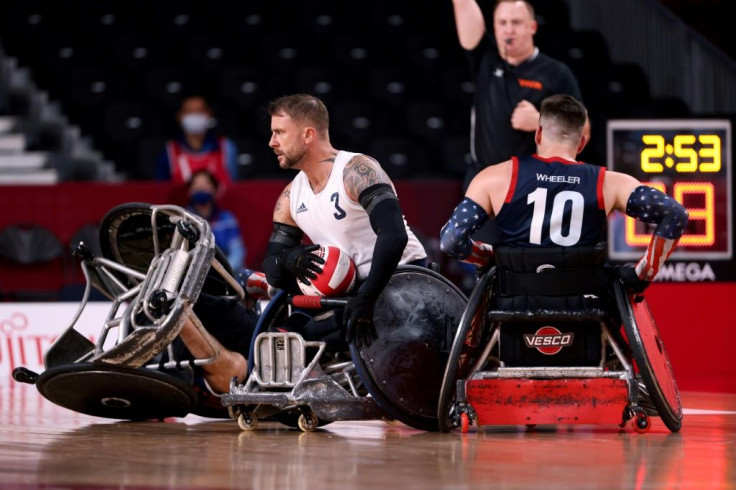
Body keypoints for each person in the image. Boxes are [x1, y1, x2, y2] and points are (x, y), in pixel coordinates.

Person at [440, 94, 688, 293]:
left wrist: (491, 257)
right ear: (581, 143)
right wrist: (641, 275)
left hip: (514, 300)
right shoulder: (610, 182)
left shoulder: (493, 177)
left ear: (538, 133)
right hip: (586, 301)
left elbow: (451, 240)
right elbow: (675, 214)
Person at [261, 94, 427, 344]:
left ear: (308, 135)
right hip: (350, 290)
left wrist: (367, 296)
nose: (272, 142)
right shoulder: (289, 197)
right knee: (283, 335)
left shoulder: (357, 170)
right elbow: (273, 271)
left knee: (314, 335)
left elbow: (394, 236)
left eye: (279, 132)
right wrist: (289, 258)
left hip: (401, 279)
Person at [451, 0, 583, 189]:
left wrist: (541, 122)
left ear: (532, 27)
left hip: (533, 184)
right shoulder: (486, 58)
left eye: (516, 23)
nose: (508, 30)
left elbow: (583, 131)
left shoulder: (555, 73)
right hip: (484, 180)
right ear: (494, 26)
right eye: (502, 23)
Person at [156, 95, 238, 187]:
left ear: (209, 114)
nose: (195, 115)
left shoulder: (226, 147)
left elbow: (233, 188)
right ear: (179, 116)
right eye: (189, 111)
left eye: (200, 111)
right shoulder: (169, 151)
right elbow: (161, 190)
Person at [186, 170, 246, 270]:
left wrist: (223, 272)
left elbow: (237, 253)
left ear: (215, 190)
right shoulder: (184, 220)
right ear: (189, 191)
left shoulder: (227, 219)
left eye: (206, 183)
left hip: (225, 273)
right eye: (196, 184)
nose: (201, 187)